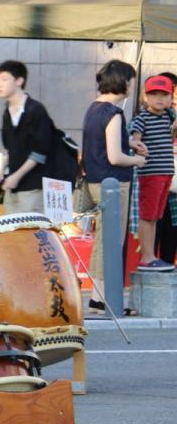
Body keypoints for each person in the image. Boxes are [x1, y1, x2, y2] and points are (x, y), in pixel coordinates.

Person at [80, 59, 147, 313]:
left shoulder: (95, 108)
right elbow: (115, 157)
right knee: (111, 242)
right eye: (130, 80)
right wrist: (138, 160)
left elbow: (100, 144)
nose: (132, 85)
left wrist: (130, 143)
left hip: (96, 182)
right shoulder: (114, 113)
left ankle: (100, 298)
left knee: (102, 242)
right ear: (123, 82)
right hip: (114, 183)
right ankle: (104, 299)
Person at [0, 60, 54, 214]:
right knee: (11, 233)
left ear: (19, 81)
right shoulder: (7, 111)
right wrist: (1, 167)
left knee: (31, 233)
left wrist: (16, 176)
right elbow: (10, 148)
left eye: (4, 79)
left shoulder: (35, 110)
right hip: (12, 185)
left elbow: (39, 153)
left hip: (33, 186)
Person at [128, 73, 177, 271]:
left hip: (166, 173)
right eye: (154, 94)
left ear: (171, 97)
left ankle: (152, 256)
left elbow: (171, 135)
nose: (159, 99)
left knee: (155, 215)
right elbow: (134, 141)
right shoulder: (142, 118)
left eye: (164, 94)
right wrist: (137, 147)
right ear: (145, 97)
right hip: (150, 173)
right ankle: (147, 256)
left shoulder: (169, 116)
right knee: (147, 215)